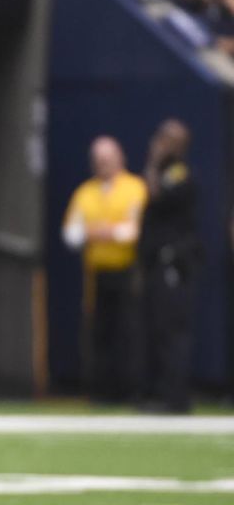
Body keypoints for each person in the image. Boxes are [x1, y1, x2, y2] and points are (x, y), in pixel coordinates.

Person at [62, 135, 148, 403]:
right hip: (97, 272)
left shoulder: (135, 188)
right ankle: (101, 392)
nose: (103, 164)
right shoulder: (85, 192)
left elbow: (133, 232)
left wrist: (100, 231)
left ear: (120, 158)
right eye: (98, 160)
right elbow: (71, 234)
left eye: (108, 159)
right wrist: (101, 232)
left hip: (127, 270)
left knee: (128, 331)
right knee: (100, 332)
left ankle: (131, 390)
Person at [139, 119, 200, 413]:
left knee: (171, 330)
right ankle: (161, 393)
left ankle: (175, 398)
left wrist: (152, 163)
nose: (158, 143)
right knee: (158, 329)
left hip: (172, 262)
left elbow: (156, 194)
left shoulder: (177, 173)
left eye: (164, 139)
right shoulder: (168, 172)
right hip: (157, 263)